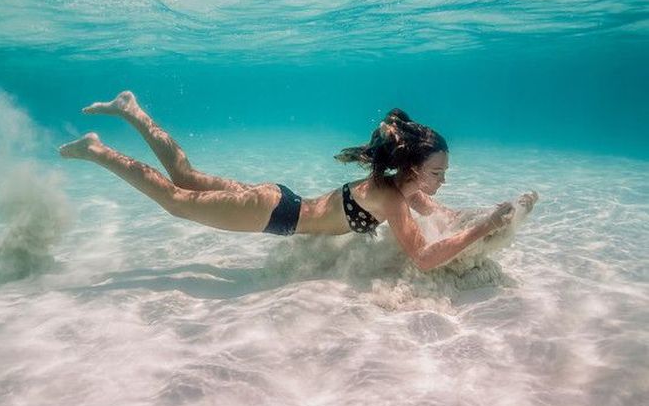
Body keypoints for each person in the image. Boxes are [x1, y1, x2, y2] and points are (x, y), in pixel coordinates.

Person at [60, 91, 527, 271]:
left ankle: (132, 110)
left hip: (279, 199)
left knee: (184, 176)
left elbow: (446, 219)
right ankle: (97, 150)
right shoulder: (390, 197)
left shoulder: (406, 192)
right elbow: (425, 258)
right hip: (274, 211)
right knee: (177, 198)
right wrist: (485, 229)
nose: (442, 183)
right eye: (438, 173)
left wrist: (501, 215)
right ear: (412, 169)